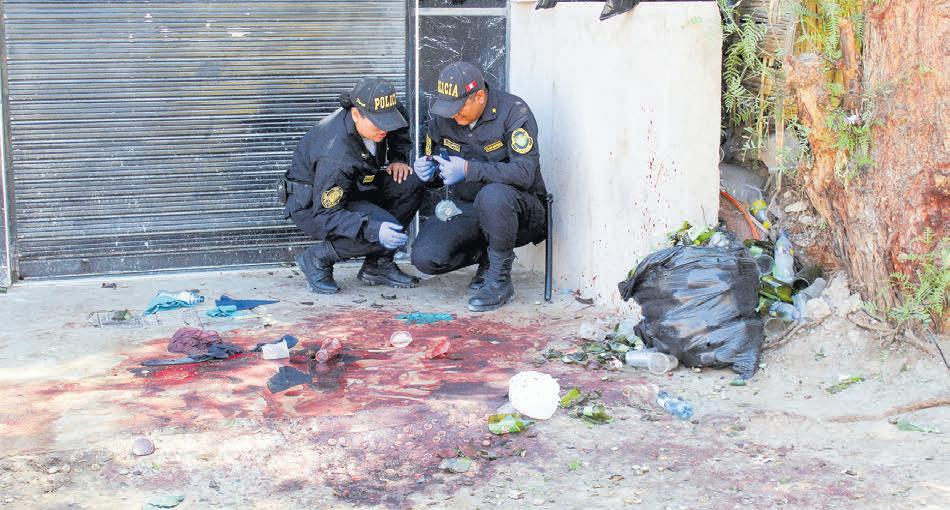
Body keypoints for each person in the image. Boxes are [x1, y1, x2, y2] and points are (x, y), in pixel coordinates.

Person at [410, 62, 548, 311]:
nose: (454, 115)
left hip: (521, 212)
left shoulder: (514, 111)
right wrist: (428, 172)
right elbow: (438, 166)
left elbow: (525, 173)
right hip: (469, 208)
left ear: (480, 97)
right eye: (448, 108)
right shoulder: (444, 119)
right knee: (425, 257)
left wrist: (468, 169)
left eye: (459, 108)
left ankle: (499, 280)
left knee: (493, 195)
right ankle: (486, 256)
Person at [282, 77, 425, 294]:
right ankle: (318, 258)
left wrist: (398, 158)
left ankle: (378, 265)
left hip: (355, 187)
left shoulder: (382, 111)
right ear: (356, 114)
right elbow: (327, 214)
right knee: (381, 229)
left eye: (388, 121)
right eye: (379, 123)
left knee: (409, 182)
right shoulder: (335, 156)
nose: (385, 129)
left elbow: (399, 124)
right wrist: (374, 229)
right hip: (314, 207)